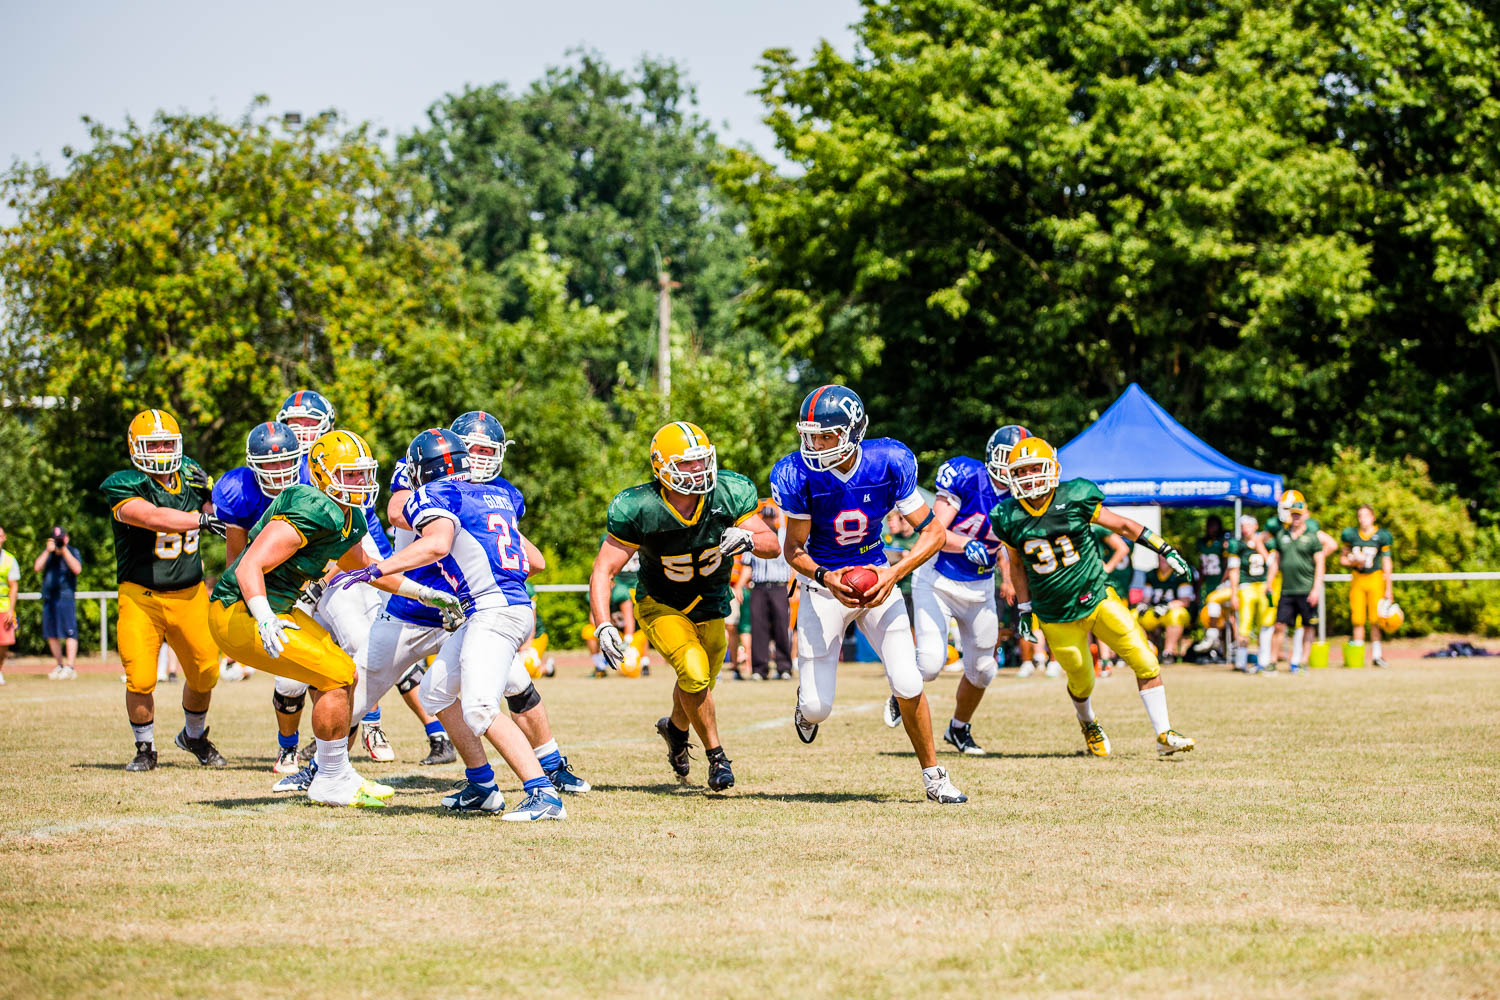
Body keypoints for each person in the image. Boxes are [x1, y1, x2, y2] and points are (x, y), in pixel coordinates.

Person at [208, 429, 451, 807]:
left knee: (342, 671)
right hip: (238, 611)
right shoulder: (308, 504)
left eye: (363, 473)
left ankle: (333, 773)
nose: (361, 482)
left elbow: (368, 568)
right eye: (350, 474)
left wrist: (424, 593)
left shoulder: (348, 516)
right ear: (321, 473)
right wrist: (265, 617)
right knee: (337, 672)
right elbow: (248, 566)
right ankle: (330, 777)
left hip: (273, 609)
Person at [341, 426, 569, 820]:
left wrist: (377, 569)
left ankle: (542, 793)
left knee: (480, 708)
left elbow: (436, 544)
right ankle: (482, 786)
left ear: (418, 472)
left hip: (491, 610)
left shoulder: (436, 493)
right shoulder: (492, 493)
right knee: (436, 694)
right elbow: (536, 562)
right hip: (497, 606)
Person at [770, 386, 968, 804]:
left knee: (908, 679)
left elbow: (933, 532)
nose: (815, 445)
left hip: (877, 575)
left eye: (826, 436)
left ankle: (934, 776)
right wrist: (827, 577)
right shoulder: (796, 472)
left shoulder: (888, 461)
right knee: (818, 709)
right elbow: (794, 550)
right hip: (822, 587)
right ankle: (805, 704)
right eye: (810, 435)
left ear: (854, 431)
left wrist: (893, 573)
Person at [590, 421, 779, 793]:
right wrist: (602, 623)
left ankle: (675, 731)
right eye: (688, 463)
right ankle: (717, 757)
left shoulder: (729, 492)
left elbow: (771, 544)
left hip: (712, 602)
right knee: (693, 673)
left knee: (700, 681)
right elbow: (603, 569)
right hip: (661, 604)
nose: (698, 470)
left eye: (702, 461)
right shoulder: (639, 506)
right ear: (661, 465)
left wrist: (749, 537)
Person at [993, 437, 1195, 756]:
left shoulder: (1075, 496)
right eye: (1024, 470)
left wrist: (1164, 547)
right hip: (1055, 614)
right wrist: (1025, 609)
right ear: (1011, 476)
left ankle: (1164, 734)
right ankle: (1088, 722)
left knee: (1145, 659)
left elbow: (1125, 526)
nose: (1031, 476)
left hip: (1097, 597)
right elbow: (1016, 564)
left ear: (1052, 469)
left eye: (1036, 468)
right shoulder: (1007, 515)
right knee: (1083, 680)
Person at [101, 409, 230, 771]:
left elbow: (222, 508)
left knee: (206, 672)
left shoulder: (190, 476)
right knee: (141, 677)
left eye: (166, 443)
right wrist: (203, 519)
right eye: (152, 443)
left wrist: (215, 493)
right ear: (135, 447)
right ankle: (145, 749)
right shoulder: (125, 484)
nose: (160, 450)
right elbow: (153, 517)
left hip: (189, 594)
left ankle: (194, 736)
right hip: (141, 596)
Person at [903, 424, 1028, 756]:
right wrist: (965, 543)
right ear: (992, 455)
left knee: (984, 670)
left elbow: (1011, 551)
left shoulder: (1021, 498)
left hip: (980, 585)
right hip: (938, 579)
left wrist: (1014, 585)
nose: (1012, 467)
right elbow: (935, 531)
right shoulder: (968, 475)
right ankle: (902, 687)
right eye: (1007, 458)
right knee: (930, 664)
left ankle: (958, 729)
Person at [1267, 490, 1337, 673]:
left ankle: (1303, 662)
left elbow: (1320, 563)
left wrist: (1316, 589)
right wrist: (1269, 581)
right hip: (1287, 589)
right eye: (1293, 514)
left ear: (1305, 515)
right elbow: (1276, 561)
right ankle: (1272, 662)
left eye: (1299, 514)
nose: (1296, 518)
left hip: (1306, 589)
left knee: (1308, 627)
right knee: (1279, 625)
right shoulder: (1282, 535)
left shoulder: (1312, 537)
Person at [1340, 504, 1394, 667]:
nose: (1362, 519)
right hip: (1358, 577)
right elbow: (1342, 559)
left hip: (1375, 577)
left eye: (1365, 515)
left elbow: (1387, 562)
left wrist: (1388, 588)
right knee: (1357, 618)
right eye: (1360, 516)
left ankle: (1377, 656)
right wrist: (1353, 560)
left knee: (1375, 618)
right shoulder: (1351, 535)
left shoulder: (1381, 536)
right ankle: (1358, 655)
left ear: (1373, 517)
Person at [747, 503, 794, 681]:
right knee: (758, 627)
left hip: (779, 586)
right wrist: (738, 586)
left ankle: (784, 667)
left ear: (775, 519)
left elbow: (794, 563)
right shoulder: (754, 537)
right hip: (758, 586)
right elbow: (746, 565)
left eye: (770, 518)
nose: (767, 521)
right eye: (764, 518)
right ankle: (759, 668)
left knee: (782, 626)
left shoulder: (784, 536)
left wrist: (794, 586)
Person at [1225, 515, 1274, 672]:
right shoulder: (1237, 545)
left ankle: (1264, 660)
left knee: (1265, 622)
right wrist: (1233, 593)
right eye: (1242, 526)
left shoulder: (1268, 542)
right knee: (1243, 624)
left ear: (1256, 526)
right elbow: (1234, 570)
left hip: (1264, 585)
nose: (1245, 529)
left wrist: (1260, 545)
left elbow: (1273, 564)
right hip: (1246, 585)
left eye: (1248, 525)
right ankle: (1241, 661)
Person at [35, 527, 83, 680]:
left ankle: (70, 666)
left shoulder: (72, 551)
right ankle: (59, 664)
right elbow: (37, 567)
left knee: (69, 632)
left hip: (65, 597)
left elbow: (77, 569)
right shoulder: (48, 554)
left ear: (66, 538)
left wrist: (64, 551)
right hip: (49, 597)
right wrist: (47, 551)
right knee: (52, 633)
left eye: (60, 539)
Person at [1136, 554, 1196, 663]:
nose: (1162, 560)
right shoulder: (1152, 574)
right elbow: (1147, 597)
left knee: (1175, 615)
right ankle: (1144, 650)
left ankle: (1168, 653)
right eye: (1160, 557)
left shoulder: (1180, 574)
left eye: (1165, 558)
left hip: (1174, 611)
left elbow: (1185, 601)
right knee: (1133, 615)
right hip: (1155, 611)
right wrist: (1143, 605)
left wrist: (1168, 606)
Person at [881, 510, 919, 621]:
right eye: (900, 518)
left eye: (903, 518)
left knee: (915, 625)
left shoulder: (920, 537)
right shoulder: (893, 538)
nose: (903, 521)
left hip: (914, 588)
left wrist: (910, 557)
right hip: (898, 587)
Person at [0, 526, 18, 685]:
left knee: (5, 643)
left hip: (3, 607)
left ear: (4, 538)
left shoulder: (9, 560)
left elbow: (13, 586)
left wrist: (11, 610)